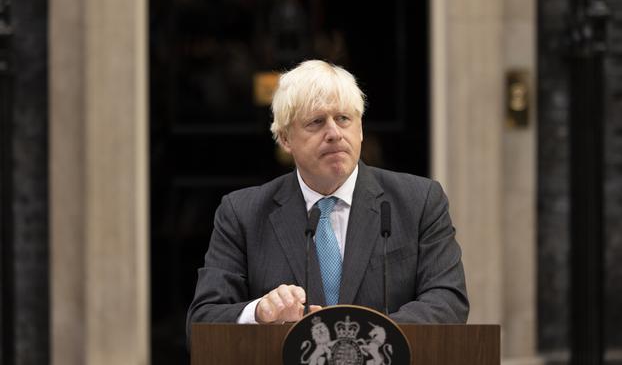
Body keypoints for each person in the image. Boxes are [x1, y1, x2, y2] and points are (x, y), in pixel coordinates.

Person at [186, 60, 469, 338]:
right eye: (316, 122)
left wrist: (367, 342)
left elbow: (448, 300)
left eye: (344, 119)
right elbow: (202, 321)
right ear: (285, 139)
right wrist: (259, 312)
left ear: (360, 129)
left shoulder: (419, 201)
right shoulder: (243, 214)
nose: (334, 133)